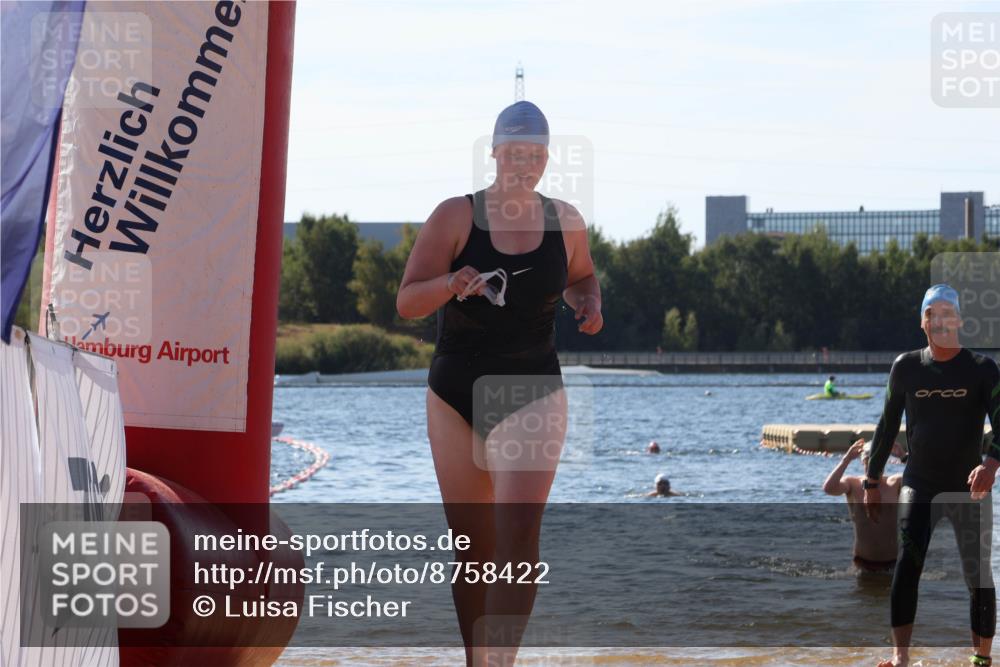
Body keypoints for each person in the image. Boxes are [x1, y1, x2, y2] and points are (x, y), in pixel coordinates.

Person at [396, 100, 603, 667]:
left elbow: (582, 276)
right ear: (493, 153)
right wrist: (449, 282)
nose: (524, 164)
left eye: (534, 154)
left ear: (546, 157)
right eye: (514, 152)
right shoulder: (454, 217)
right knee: (472, 551)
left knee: (515, 542)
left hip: (530, 389)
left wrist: (587, 302)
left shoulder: (566, 221)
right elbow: (408, 300)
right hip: (453, 393)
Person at [864, 284, 1000, 667]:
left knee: (977, 573)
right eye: (930, 314)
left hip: (968, 487)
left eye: (945, 313)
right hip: (919, 483)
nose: (938, 320)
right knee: (908, 562)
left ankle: (981, 658)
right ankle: (900, 657)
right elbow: (887, 425)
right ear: (922, 322)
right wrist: (872, 481)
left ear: (958, 320)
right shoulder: (906, 367)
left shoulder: (982, 369)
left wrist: (991, 465)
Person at [822, 439, 904, 573]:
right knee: (863, 593)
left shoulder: (895, 483)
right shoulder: (852, 484)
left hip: (893, 562)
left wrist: (903, 456)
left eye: (879, 463)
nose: (875, 469)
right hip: (862, 563)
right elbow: (828, 488)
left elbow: (925, 480)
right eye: (869, 463)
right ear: (862, 461)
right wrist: (846, 459)